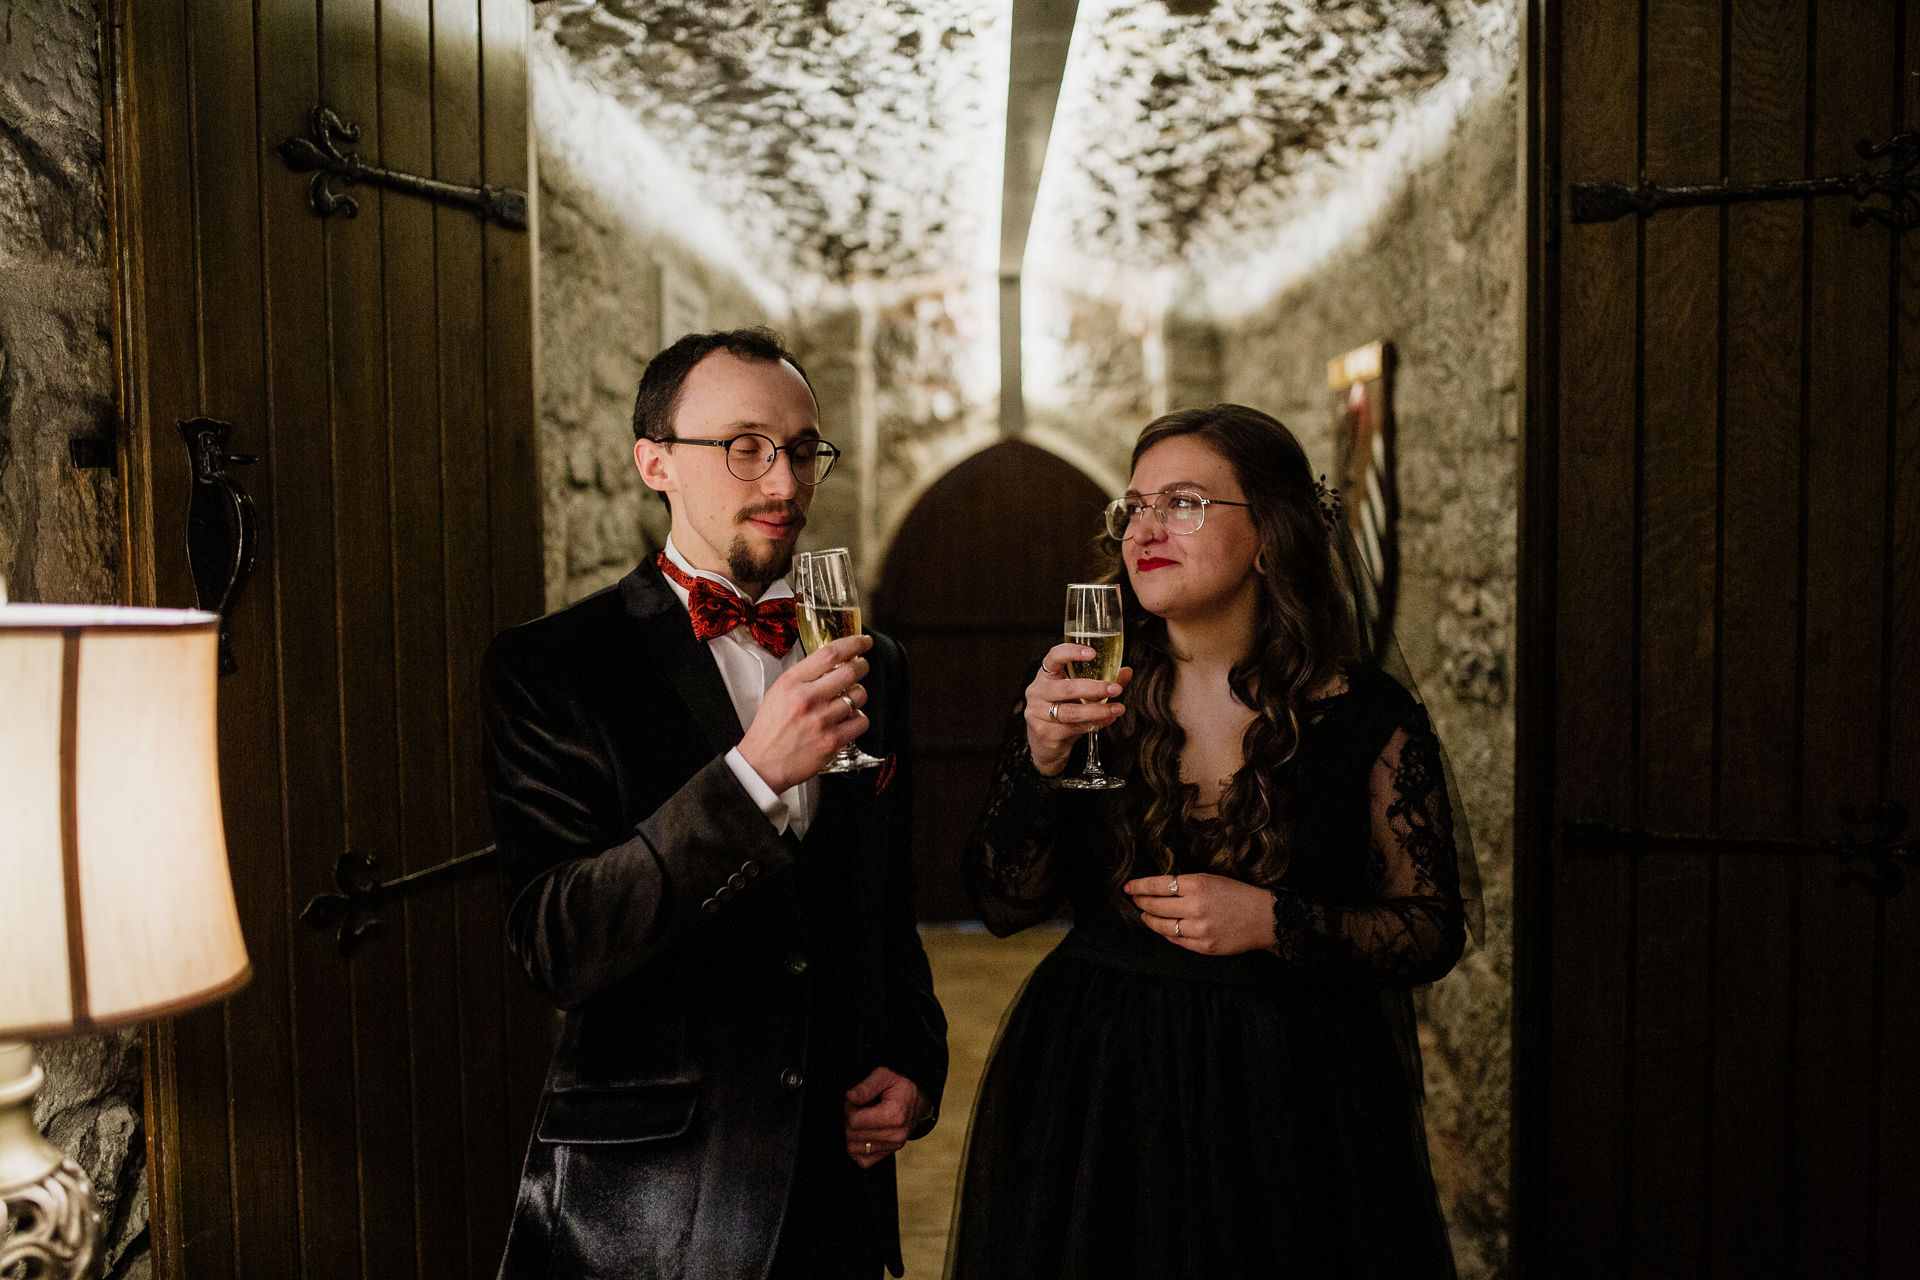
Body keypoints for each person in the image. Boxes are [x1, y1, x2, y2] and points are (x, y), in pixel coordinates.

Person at [949, 404, 1464, 1279]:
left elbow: (1429, 927)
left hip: (1298, 1101)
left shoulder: (1366, 718)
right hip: (1099, 1085)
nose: (1144, 528)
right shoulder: (1082, 695)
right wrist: (1038, 760)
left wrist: (1275, 921)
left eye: (1182, 503)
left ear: (1269, 534)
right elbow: (1004, 903)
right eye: (1134, 506)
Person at [482, 328, 947, 1280]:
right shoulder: (552, 666)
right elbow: (556, 943)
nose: (784, 481)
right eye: (744, 447)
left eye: (803, 448)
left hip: (836, 1192)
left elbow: (881, 906)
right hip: (651, 1203)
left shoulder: (875, 665)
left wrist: (914, 1057)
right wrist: (749, 780)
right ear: (655, 462)